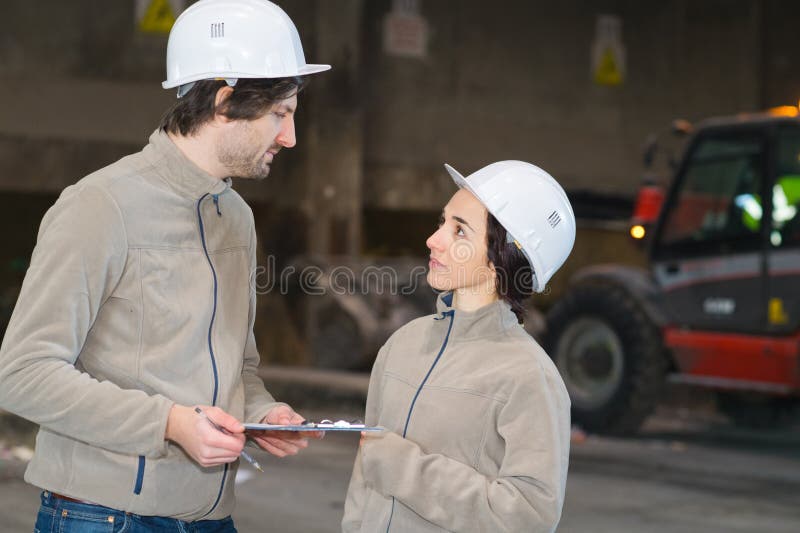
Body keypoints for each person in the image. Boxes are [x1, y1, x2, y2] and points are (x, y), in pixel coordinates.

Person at [0, 0, 329, 530]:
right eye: (281, 114)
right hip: (102, 516)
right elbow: (21, 373)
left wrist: (262, 411)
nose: (289, 137)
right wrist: (169, 423)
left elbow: (238, 365)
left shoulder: (235, 218)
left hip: (209, 517)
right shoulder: (101, 205)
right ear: (225, 102)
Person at [343, 161, 576, 532]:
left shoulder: (529, 377)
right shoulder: (402, 344)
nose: (433, 240)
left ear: (502, 256)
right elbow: (364, 480)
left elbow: (530, 516)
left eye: (460, 231)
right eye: (442, 223)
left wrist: (403, 467)